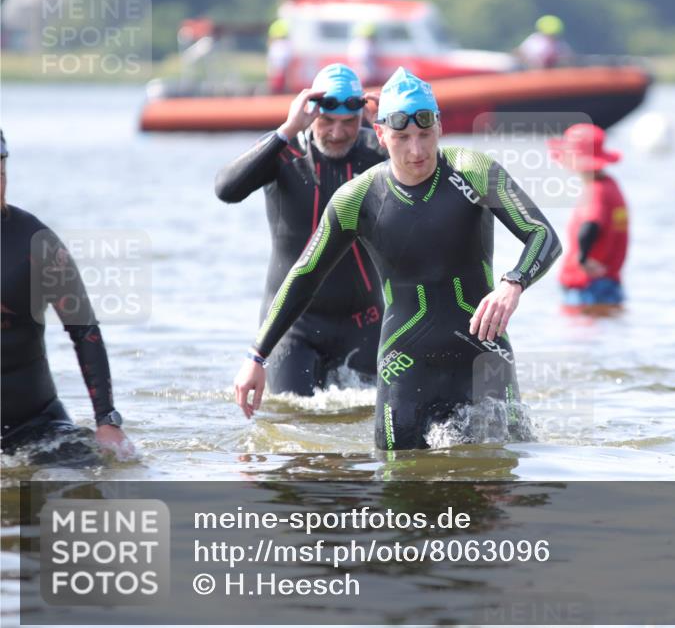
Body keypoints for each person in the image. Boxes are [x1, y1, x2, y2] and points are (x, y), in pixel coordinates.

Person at [233, 67, 562, 450]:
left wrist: (513, 283)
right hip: (403, 366)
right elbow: (303, 277)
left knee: (500, 483)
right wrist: (257, 357)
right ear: (381, 133)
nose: (417, 151)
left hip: (483, 356)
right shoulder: (358, 198)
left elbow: (544, 235)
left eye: (425, 135)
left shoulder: (472, 170)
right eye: (403, 137)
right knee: (398, 491)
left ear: (439, 125)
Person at [216, 64, 387, 396]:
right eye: (327, 121)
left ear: (362, 117)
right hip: (293, 327)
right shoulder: (285, 153)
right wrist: (286, 129)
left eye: (348, 123)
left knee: (363, 433)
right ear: (310, 114)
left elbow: (437, 180)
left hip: (364, 323)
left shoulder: (379, 152)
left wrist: (390, 128)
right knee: (293, 424)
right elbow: (226, 189)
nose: (337, 133)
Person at [1, 130, 134, 464]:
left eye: (1, 172)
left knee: (91, 481)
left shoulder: (37, 244)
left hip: (35, 425)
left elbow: (84, 328)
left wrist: (107, 420)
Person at [548, 124, 629, 309]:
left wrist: (583, 259)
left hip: (588, 287)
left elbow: (590, 225)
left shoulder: (595, 192)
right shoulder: (611, 186)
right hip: (609, 283)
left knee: (580, 336)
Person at [266, 18, 293, 94]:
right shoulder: (286, 24)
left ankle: (275, 88)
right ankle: (280, 87)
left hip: (277, 45)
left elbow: (271, 37)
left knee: (275, 69)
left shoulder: (275, 25)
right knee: (282, 70)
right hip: (284, 45)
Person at [348, 21, 379, 87]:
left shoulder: (356, 43)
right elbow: (361, 59)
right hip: (363, 71)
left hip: (363, 71)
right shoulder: (364, 44)